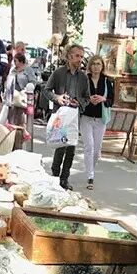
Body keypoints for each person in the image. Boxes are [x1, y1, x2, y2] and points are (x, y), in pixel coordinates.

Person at [43, 44, 90, 189]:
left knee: (71, 148)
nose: (80, 59)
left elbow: (87, 97)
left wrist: (79, 102)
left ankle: (64, 178)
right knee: (60, 145)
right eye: (77, 56)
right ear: (69, 56)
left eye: (81, 56)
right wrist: (57, 98)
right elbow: (46, 90)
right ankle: (55, 176)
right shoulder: (59, 73)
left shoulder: (83, 77)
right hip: (61, 115)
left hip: (74, 116)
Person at [80, 55, 114, 191]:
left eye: (98, 64)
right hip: (86, 117)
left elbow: (112, 100)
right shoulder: (84, 79)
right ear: (90, 66)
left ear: (102, 66)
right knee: (89, 146)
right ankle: (90, 176)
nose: (96, 67)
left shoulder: (107, 81)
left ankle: (91, 169)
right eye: (93, 64)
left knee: (96, 148)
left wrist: (103, 99)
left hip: (100, 119)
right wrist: (88, 99)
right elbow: (79, 96)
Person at [4, 52, 37, 125]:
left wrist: (27, 90)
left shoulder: (28, 69)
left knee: (21, 115)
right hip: (12, 96)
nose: (14, 62)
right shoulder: (13, 69)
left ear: (21, 61)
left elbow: (33, 81)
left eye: (15, 61)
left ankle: (21, 128)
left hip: (23, 96)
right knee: (11, 115)